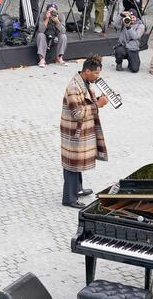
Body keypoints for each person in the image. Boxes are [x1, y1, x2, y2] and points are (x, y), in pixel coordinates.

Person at [60, 55, 109, 209]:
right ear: (87, 71)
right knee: (72, 164)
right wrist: (98, 105)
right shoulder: (74, 87)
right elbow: (77, 114)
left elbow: (85, 103)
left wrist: (98, 100)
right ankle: (69, 198)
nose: (98, 76)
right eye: (96, 73)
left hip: (78, 131)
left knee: (75, 162)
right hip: (74, 131)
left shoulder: (84, 82)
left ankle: (77, 189)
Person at [36, 3, 68, 68]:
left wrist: (57, 21)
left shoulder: (61, 16)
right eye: (50, 11)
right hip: (45, 34)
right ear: (47, 11)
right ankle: (42, 59)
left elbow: (63, 31)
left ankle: (59, 58)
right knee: (40, 35)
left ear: (57, 11)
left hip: (56, 34)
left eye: (54, 11)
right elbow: (41, 30)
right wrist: (47, 19)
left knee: (63, 36)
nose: (52, 13)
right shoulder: (43, 15)